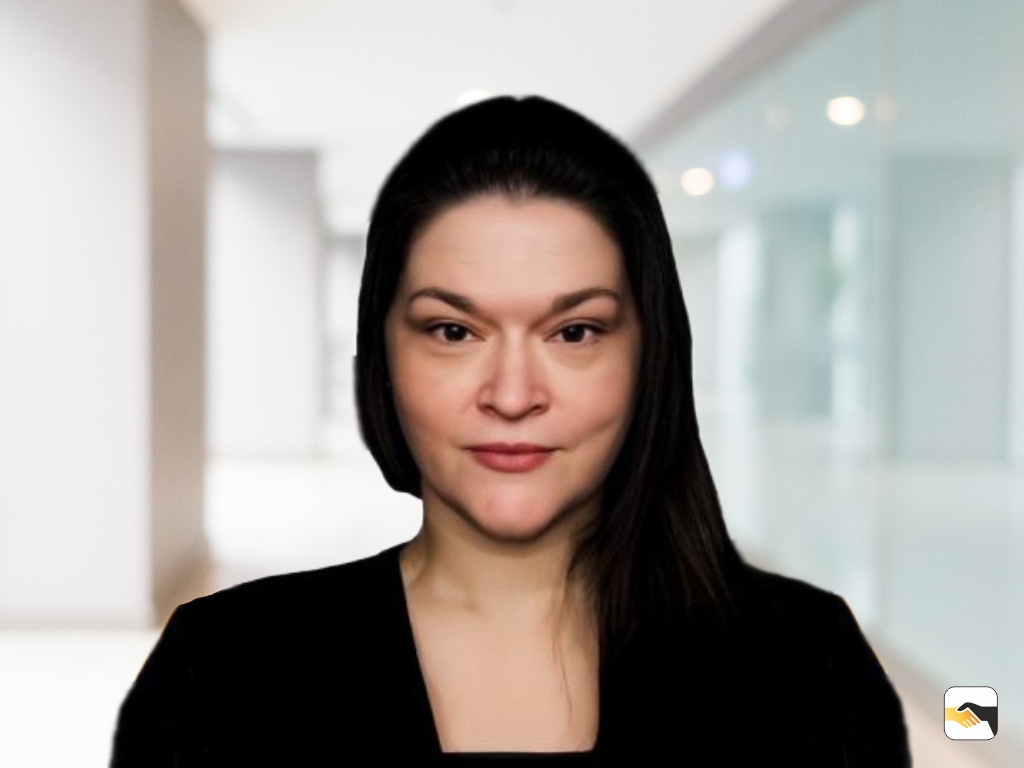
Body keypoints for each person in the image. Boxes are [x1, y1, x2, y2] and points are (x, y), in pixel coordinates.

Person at [110, 96, 910, 767]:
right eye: (453, 331)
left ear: (652, 359)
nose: (514, 395)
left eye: (575, 332)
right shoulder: (220, 667)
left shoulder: (810, 662)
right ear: (381, 356)